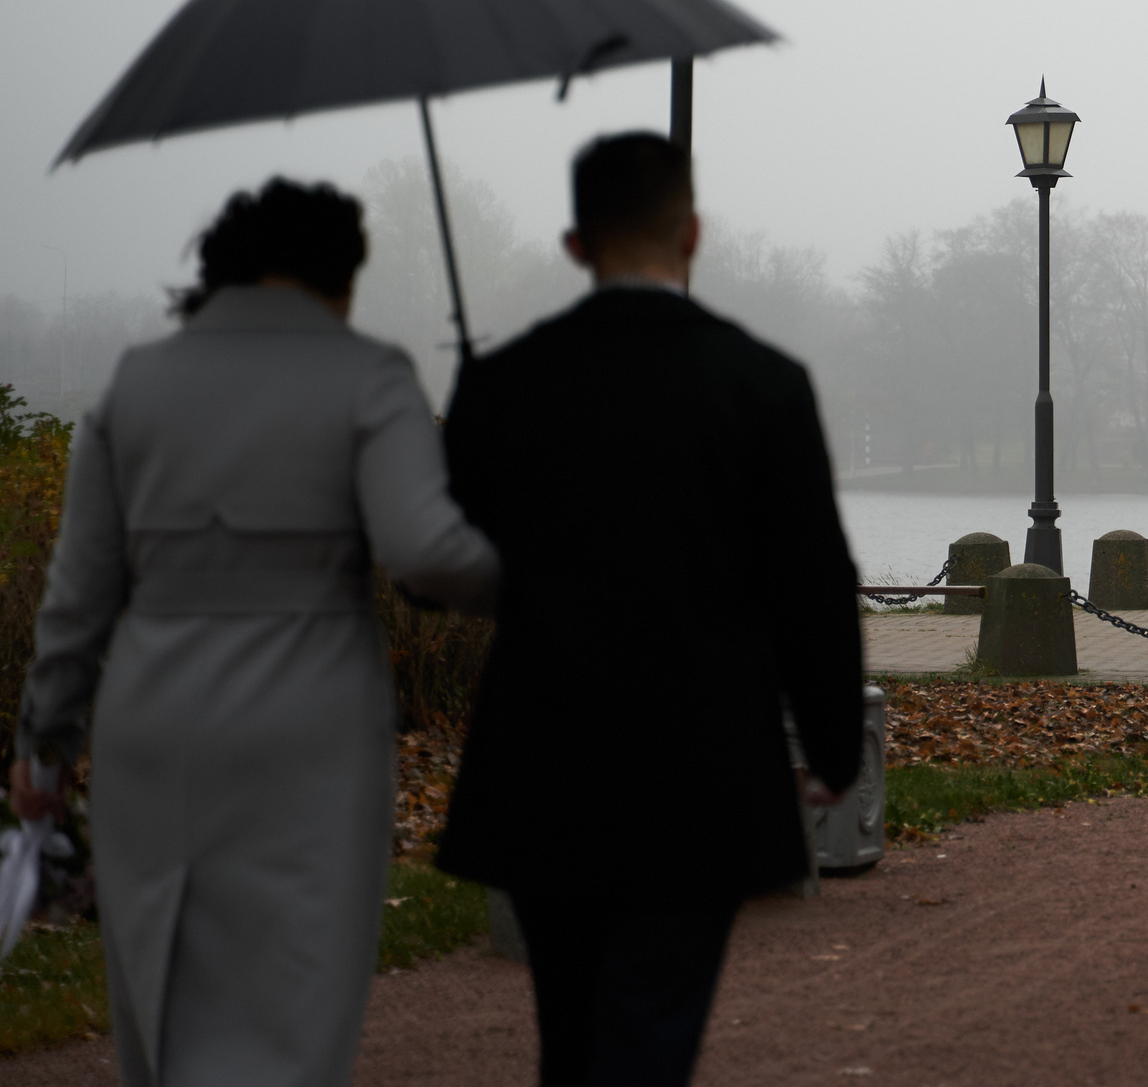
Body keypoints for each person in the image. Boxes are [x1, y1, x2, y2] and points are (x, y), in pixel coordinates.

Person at [11, 179, 500, 1087]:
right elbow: (427, 556)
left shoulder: (135, 385)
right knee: (291, 1001)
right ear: (333, 276)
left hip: (151, 722)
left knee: (164, 992)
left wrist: (43, 748)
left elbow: (75, 602)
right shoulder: (369, 375)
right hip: (308, 727)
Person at [435, 133, 867, 1087]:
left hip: (543, 755)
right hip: (701, 761)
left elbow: (440, 565)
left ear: (574, 242)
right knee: (650, 1031)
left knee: (570, 1032)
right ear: (694, 231)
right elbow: (812, 582)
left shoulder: (506, 382)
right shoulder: (762, 382)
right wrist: (835, 744)